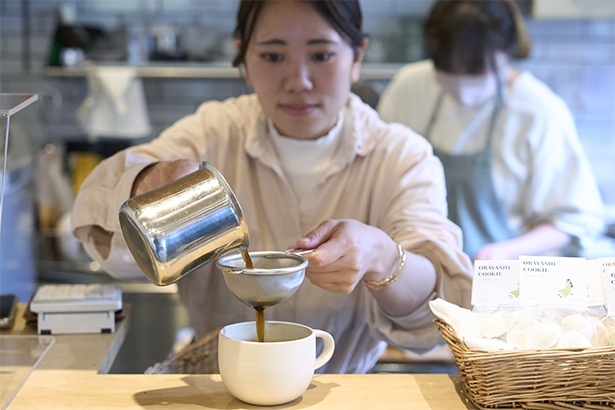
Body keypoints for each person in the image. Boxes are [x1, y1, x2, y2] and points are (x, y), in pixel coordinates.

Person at [71, 0, 472, 374]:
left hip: (339, 393)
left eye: (321, 55)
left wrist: (382, 257)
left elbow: (441, 307)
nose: (297, 81)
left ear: (357, 58)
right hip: (220, 387)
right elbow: (95, 210)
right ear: (244, 58)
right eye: (273, 56)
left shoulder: (400, 156)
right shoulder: (214, 132)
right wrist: (151, 180)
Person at [378, 0, 605, 261]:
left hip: (503, 283)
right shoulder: (410, 87)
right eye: (447, 72)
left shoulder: (538, 110)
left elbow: (574, 219)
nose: (462, 89)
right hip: (413, 277)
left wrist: (507, 251)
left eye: (477, 70)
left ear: (506, 51)